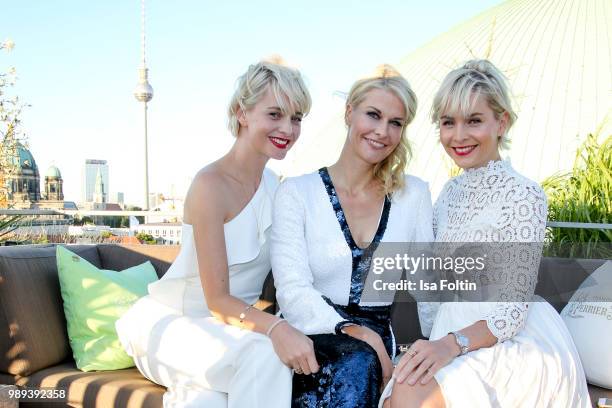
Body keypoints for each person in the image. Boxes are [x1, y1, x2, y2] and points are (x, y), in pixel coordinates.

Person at [380, 59, 590, 408]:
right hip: (448, 334)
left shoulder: (524, 194)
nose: (458, 136)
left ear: (501, 122)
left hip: (510, 341)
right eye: (449, 122)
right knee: (399, 394)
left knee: (412, 396)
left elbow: (510, 311)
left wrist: (448, 345)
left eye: (474, 121)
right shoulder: (447, 194)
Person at [116, 59, 317, 408]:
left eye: (296, 118)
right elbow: (217, 301)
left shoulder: (277, 187)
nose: (288, 128)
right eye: (275, 114)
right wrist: (277, 327)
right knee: (266, 355)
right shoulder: (210, 185)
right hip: (172, 326)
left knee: (205, 401)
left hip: (229, 334)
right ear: (242, 113)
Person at [271, 65, 433, 408]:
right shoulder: (297, 193)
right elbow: (292, 290)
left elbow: (429, 289)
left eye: (395, 123)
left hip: (373, 353)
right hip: (307, 336)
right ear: (349, 113)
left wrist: (450, 345)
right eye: (373, 115)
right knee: (358, 359)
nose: (382, 131)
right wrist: (357, 332)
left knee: (361, 362)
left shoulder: (414, 195)